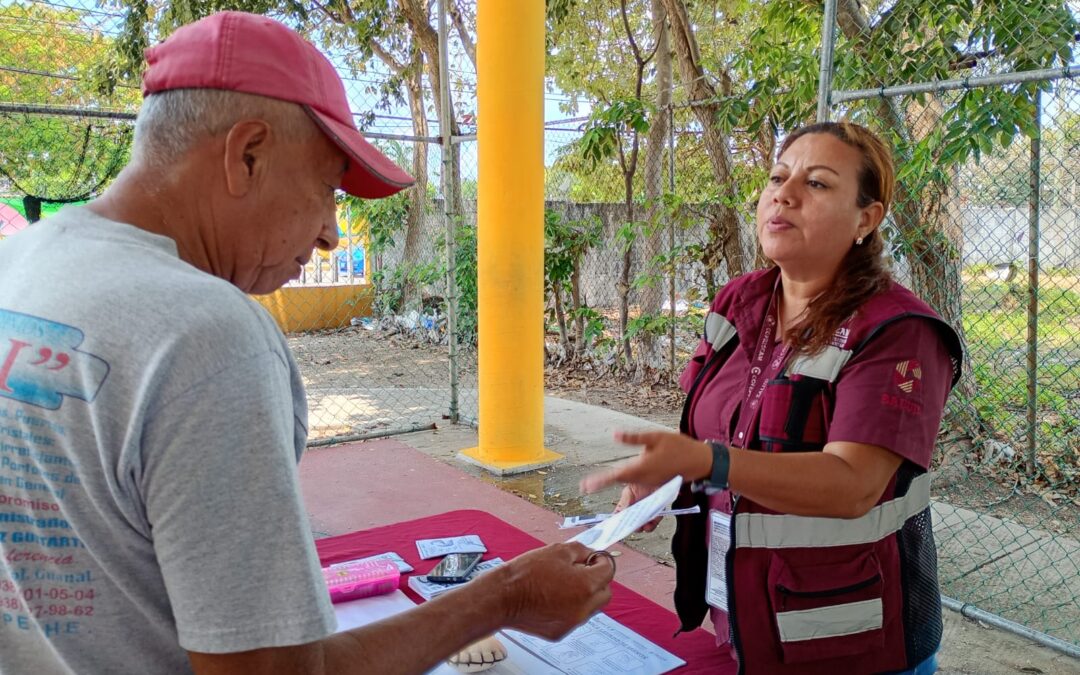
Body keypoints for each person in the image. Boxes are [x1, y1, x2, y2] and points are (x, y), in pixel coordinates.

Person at [0, 11, 612, 675]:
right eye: (326, 188)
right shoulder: (207, 336)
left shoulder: (18, 264)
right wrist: (505, 595)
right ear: (247, 155)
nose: (329, 233)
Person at [582, 121, 962, 675]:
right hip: (743, 616)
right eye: (777, 178)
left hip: (849, 641)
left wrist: (705, 462)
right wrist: (666, 479)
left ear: (866, 218)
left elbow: (854, 485)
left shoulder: (897, 331)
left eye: (817, 183)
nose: (784, 194)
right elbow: (711, 434)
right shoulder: (739, 302)